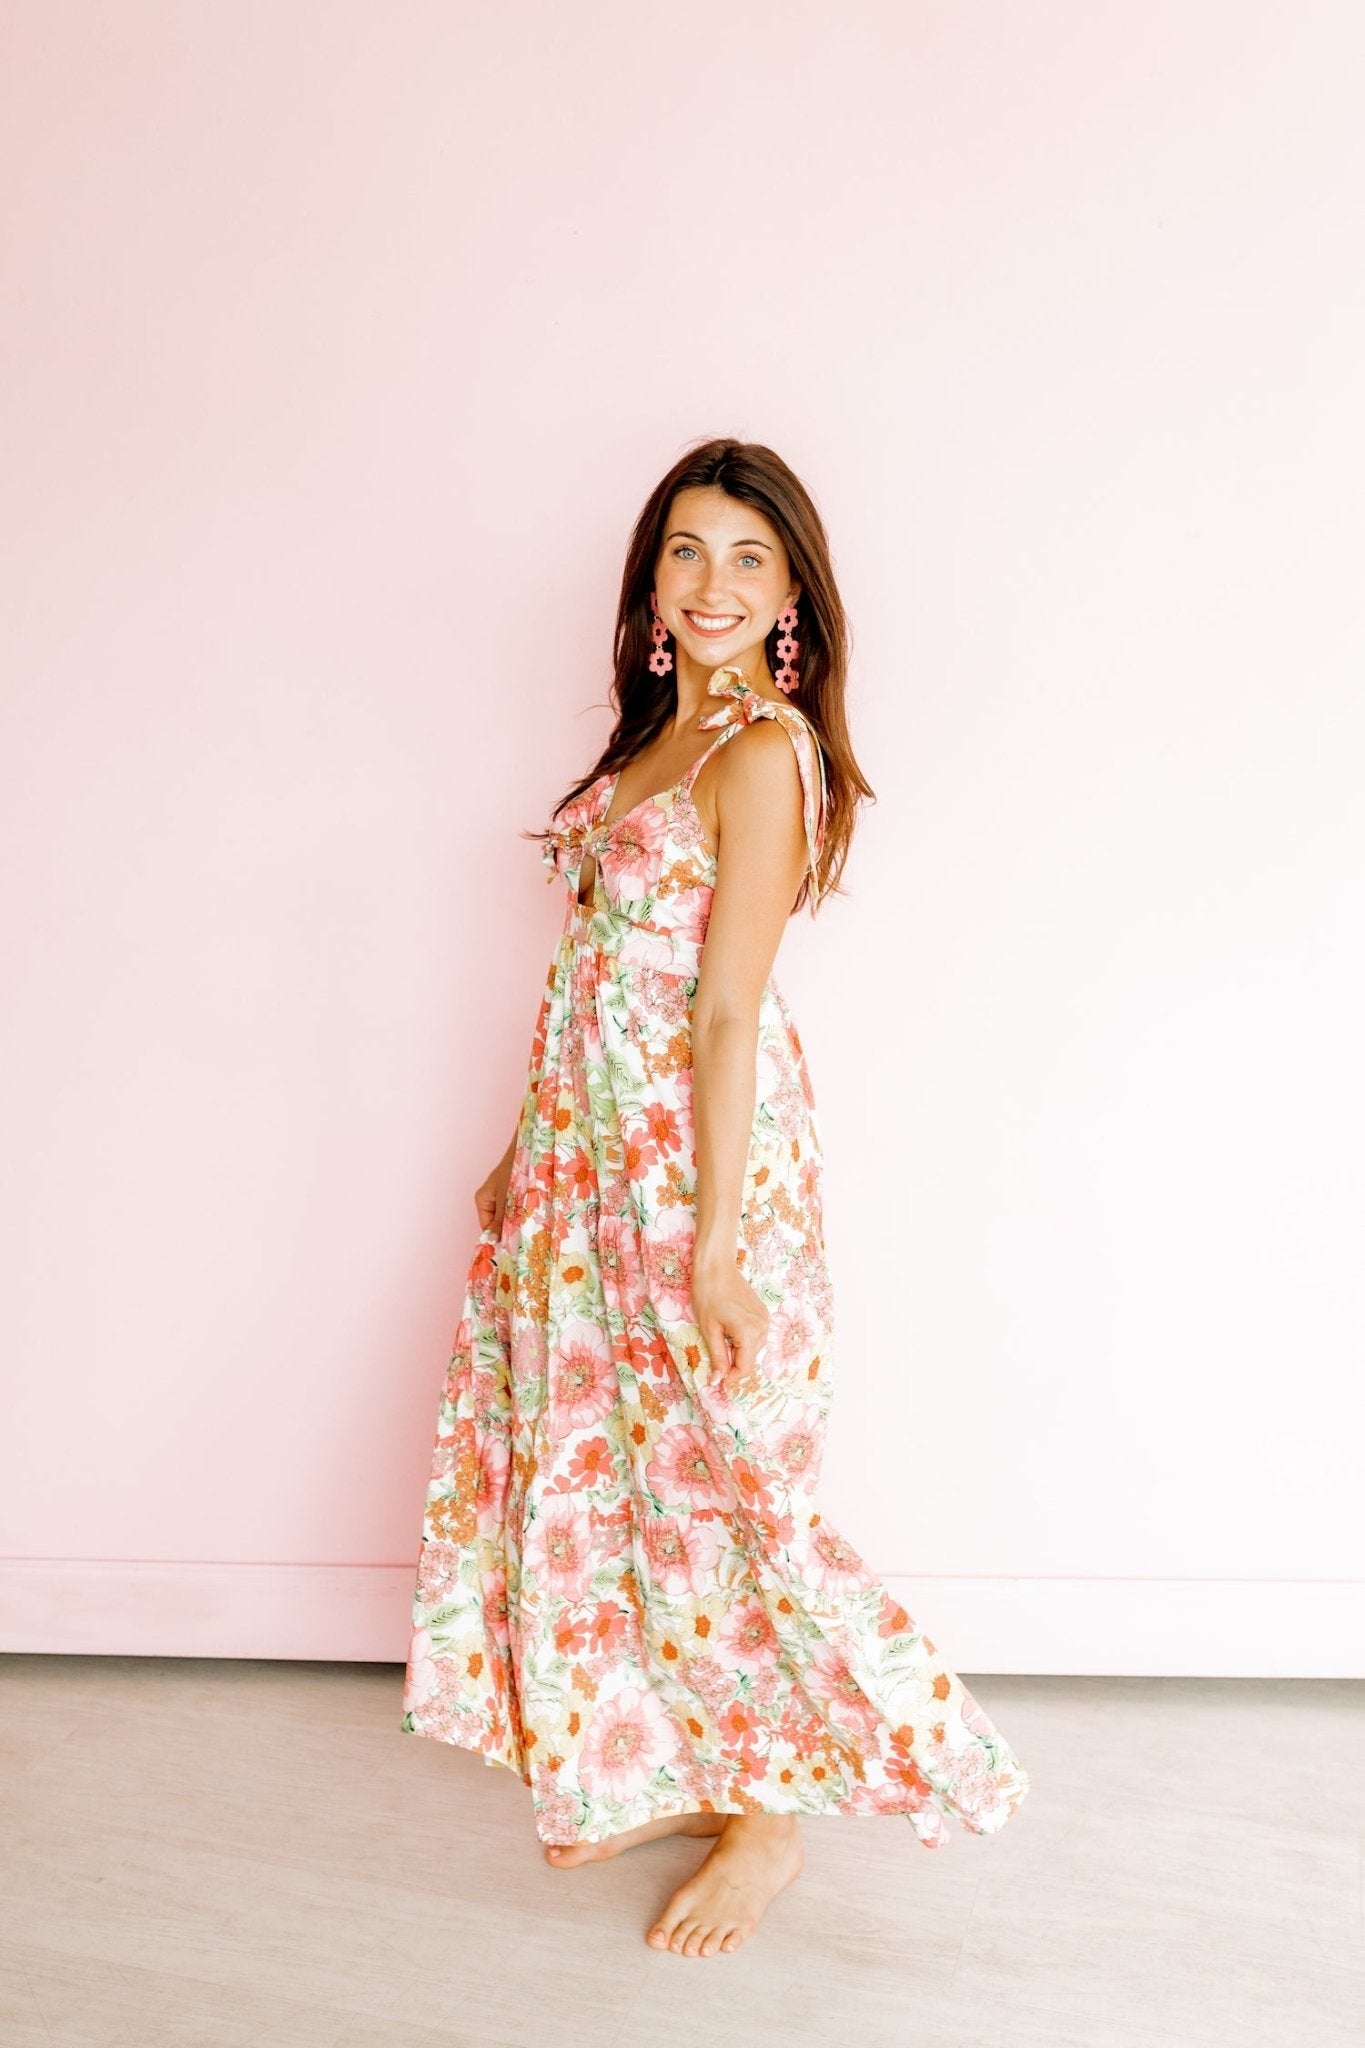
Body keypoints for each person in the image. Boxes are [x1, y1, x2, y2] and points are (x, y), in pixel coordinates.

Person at [401, 437, 1031, 1959]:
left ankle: (771, 1818)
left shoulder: (758, 753)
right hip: (588, 1163)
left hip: (694, 1168)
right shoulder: (657, 743)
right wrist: (526, 1150)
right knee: (615, 1461)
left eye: (748, 559)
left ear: (793, 594)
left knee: (723, 1478)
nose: (712, 584)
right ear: (649, 580)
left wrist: (719, 1251)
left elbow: (728, 1009)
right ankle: (694, 1762)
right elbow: (590, 978)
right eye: (686, 550)